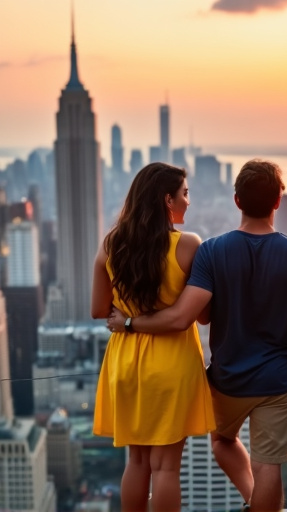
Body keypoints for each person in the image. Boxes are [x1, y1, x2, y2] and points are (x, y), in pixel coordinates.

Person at [107, 159, 287, 512]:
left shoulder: (211, 250)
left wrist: (132, 323)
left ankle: (251, 498)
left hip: (227, 378)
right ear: (277, 202)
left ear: (237, 200)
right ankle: (260, 503)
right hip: (277, 380)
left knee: (222, 441)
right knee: (268, 463)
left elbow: (196, 316)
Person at [91, 162, 216, 512]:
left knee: (137, 462)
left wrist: (128, 319)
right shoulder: (189, 245)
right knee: (166, 466)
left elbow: (99, 310)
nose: (189, 201)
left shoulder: (110, 244)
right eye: (185, 194)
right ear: (166, 199)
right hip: (171, 363)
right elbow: (199, 314)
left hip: (125, 362)